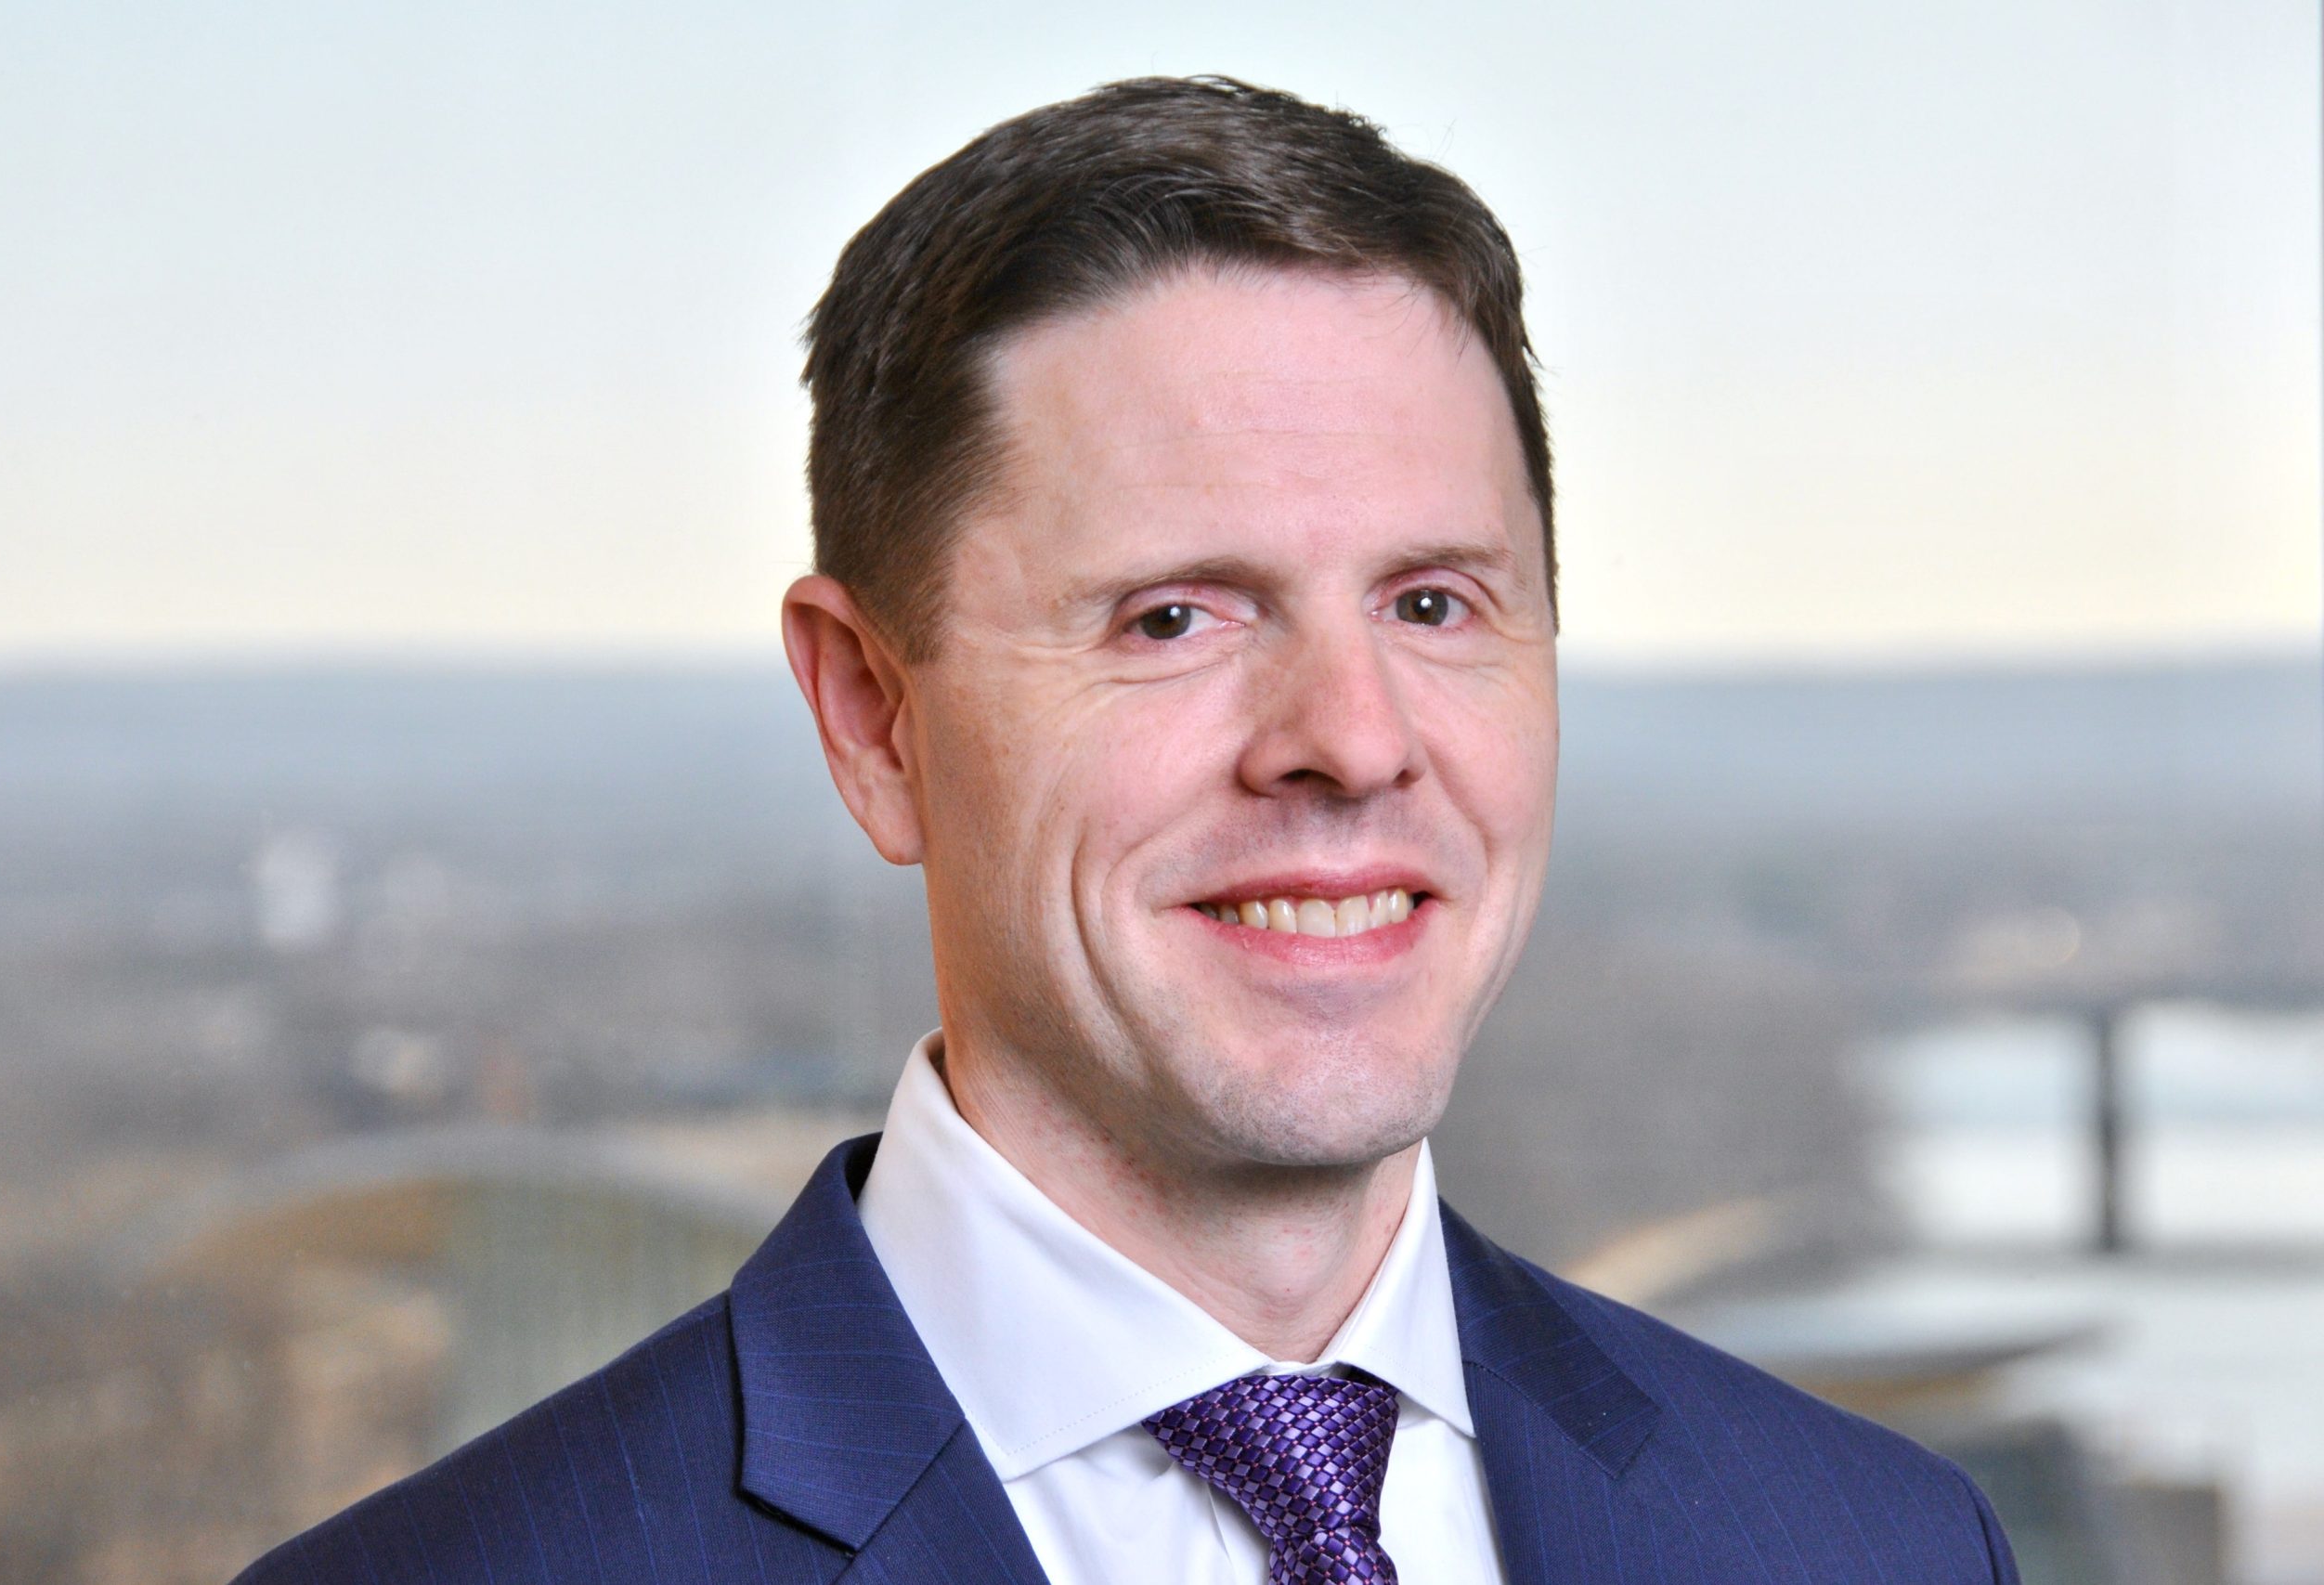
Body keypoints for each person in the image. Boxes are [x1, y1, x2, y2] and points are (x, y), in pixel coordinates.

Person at [237, 76, 2019, 1584]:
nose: (1350, 741)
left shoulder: (1875, 1542)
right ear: (874, 717)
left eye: (1434, 605)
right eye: (1176, 616)